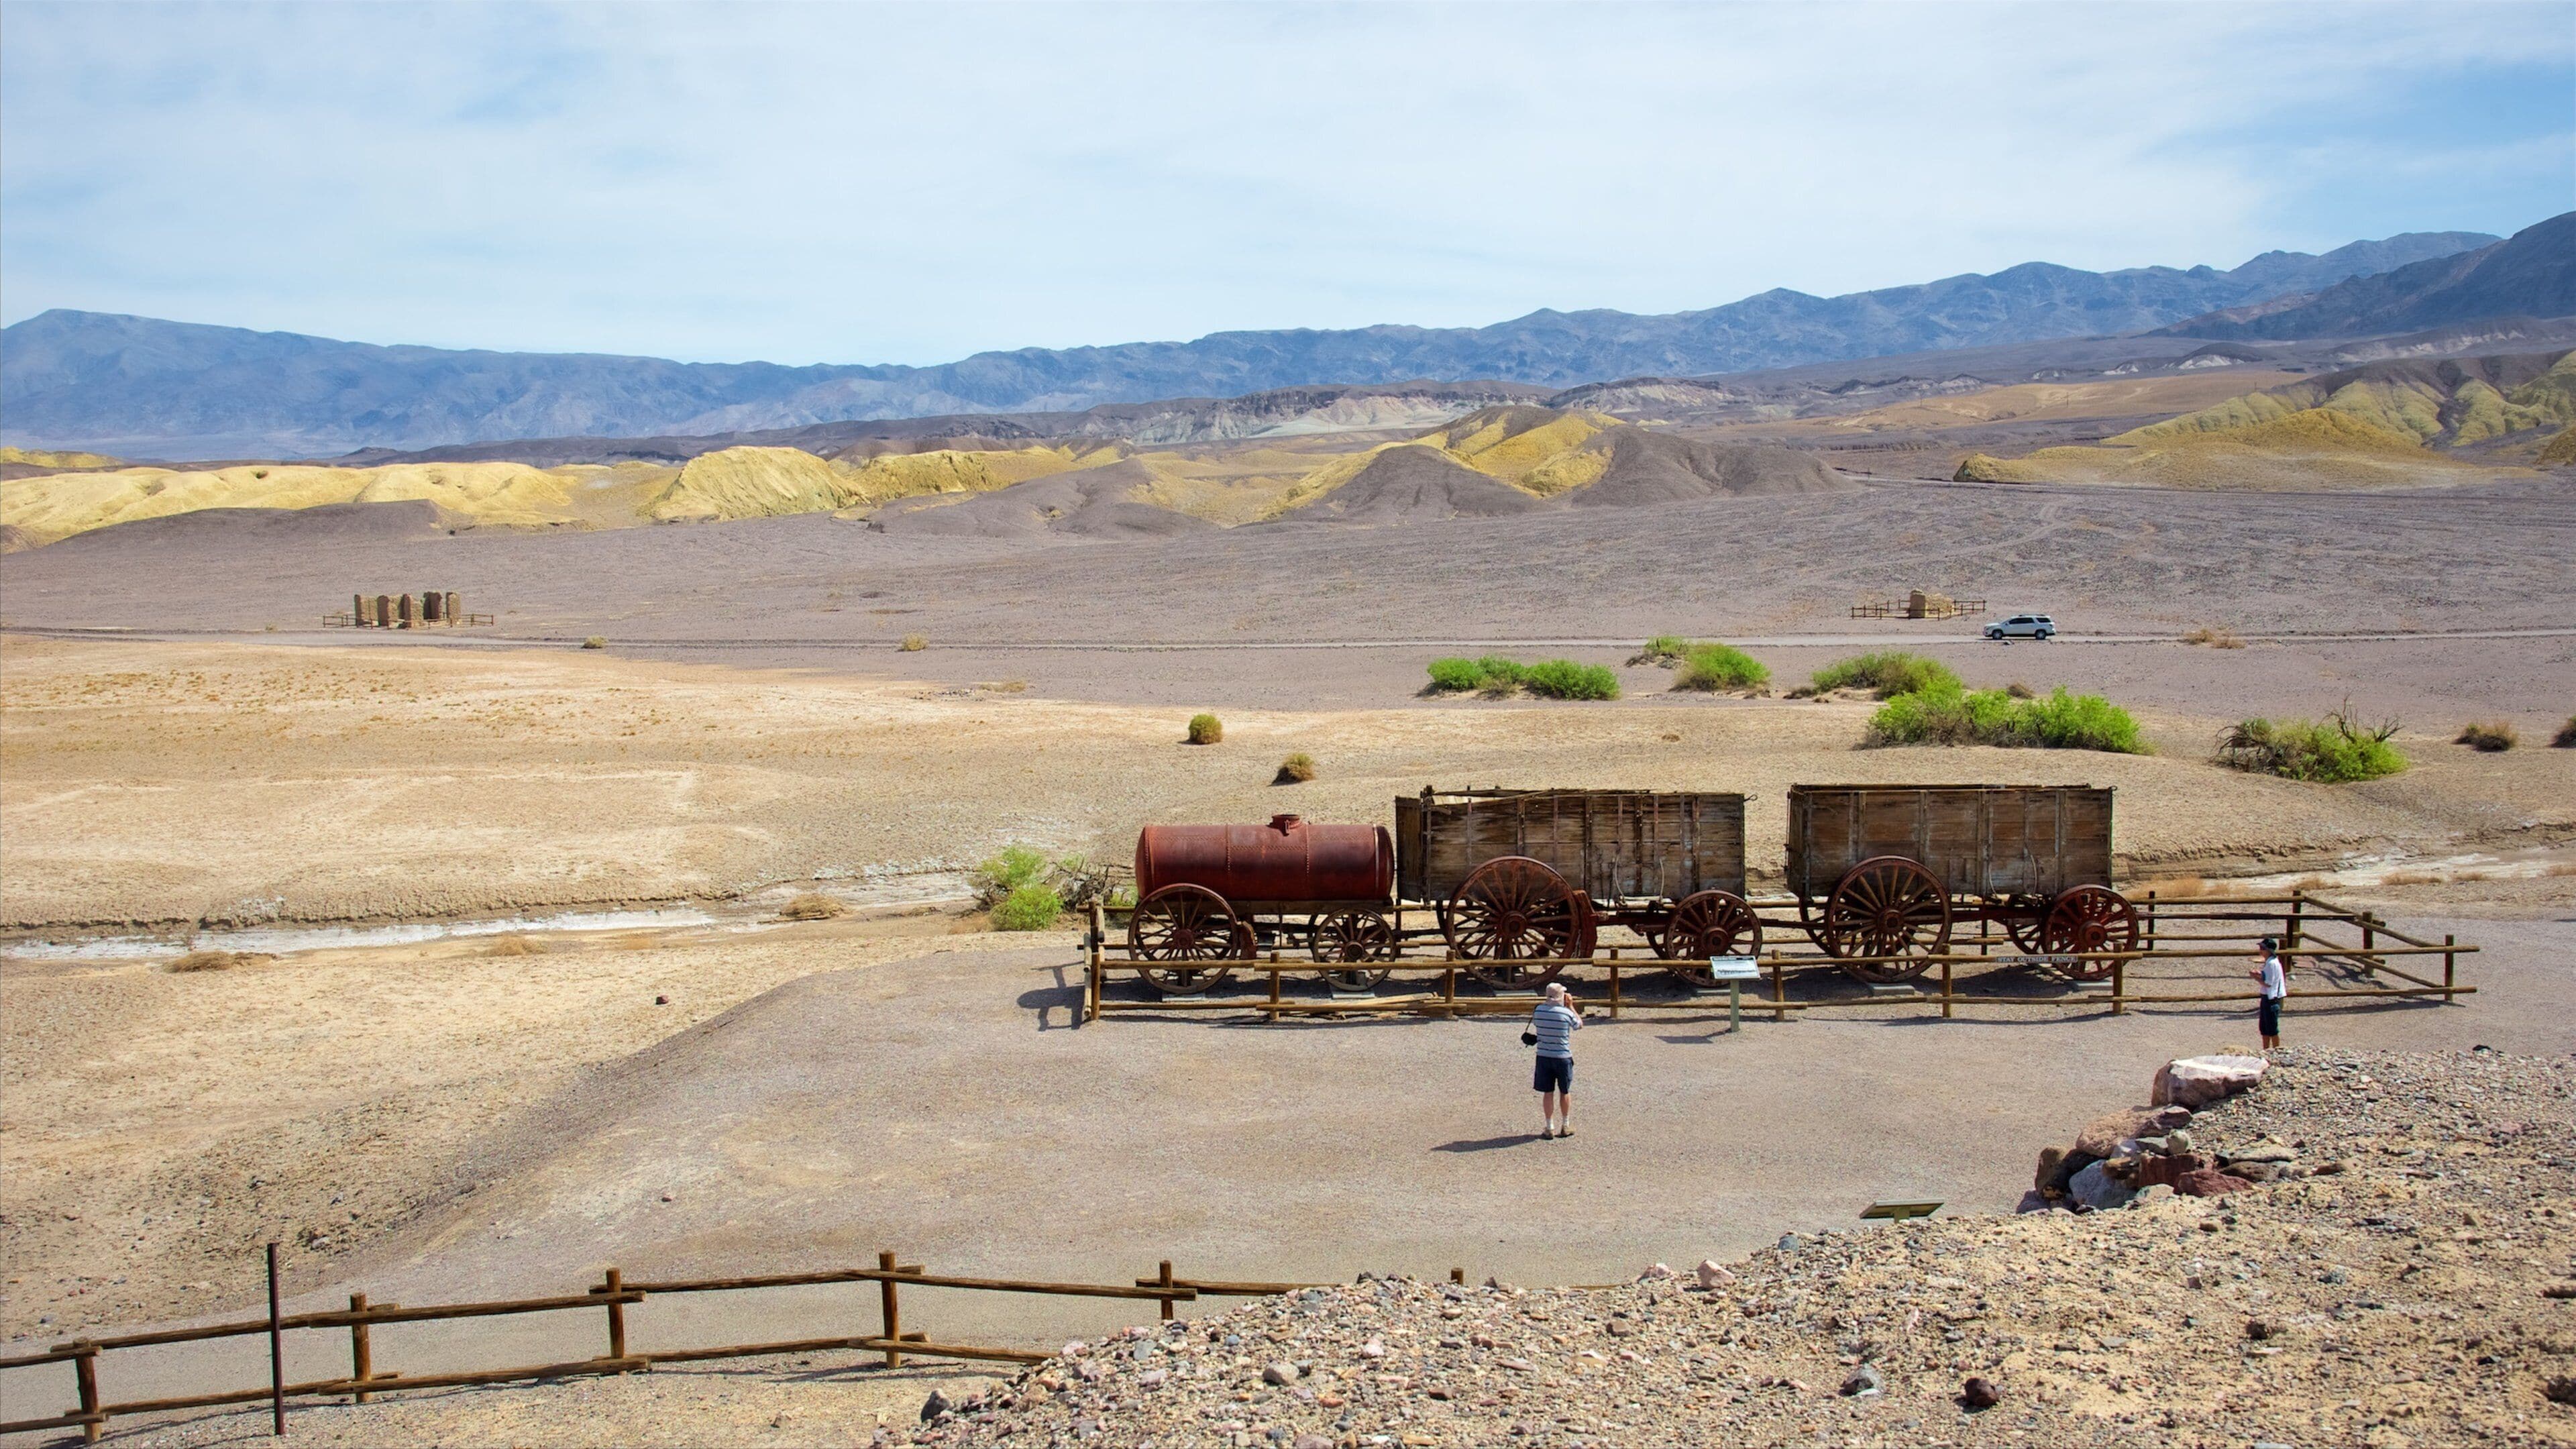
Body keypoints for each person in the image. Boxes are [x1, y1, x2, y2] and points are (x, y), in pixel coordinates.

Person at [1527, 981, 1584, 1139]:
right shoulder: (1566, 1014)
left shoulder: (1538, 1011)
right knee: (1565, 1091)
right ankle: (1565, 1125)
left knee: (1548, 1092)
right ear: (1561, 996)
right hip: (1563, 1056)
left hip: (1544, 1056)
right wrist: (1571, 1006)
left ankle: (1549, 1126)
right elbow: (1579, 1025)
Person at [2248, 935, 2288, 1052]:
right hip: (2269, 997)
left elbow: (2268, 983)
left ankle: (2277, 1050)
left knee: (2271, 1028)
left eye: (2263, 948)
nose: (2261, 950)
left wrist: (2255, 978)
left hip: (2271, 998)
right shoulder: (2271, 962)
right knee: (2265, 1028)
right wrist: (2260, 973)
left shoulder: (2271, 964)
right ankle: (2266, 1050)